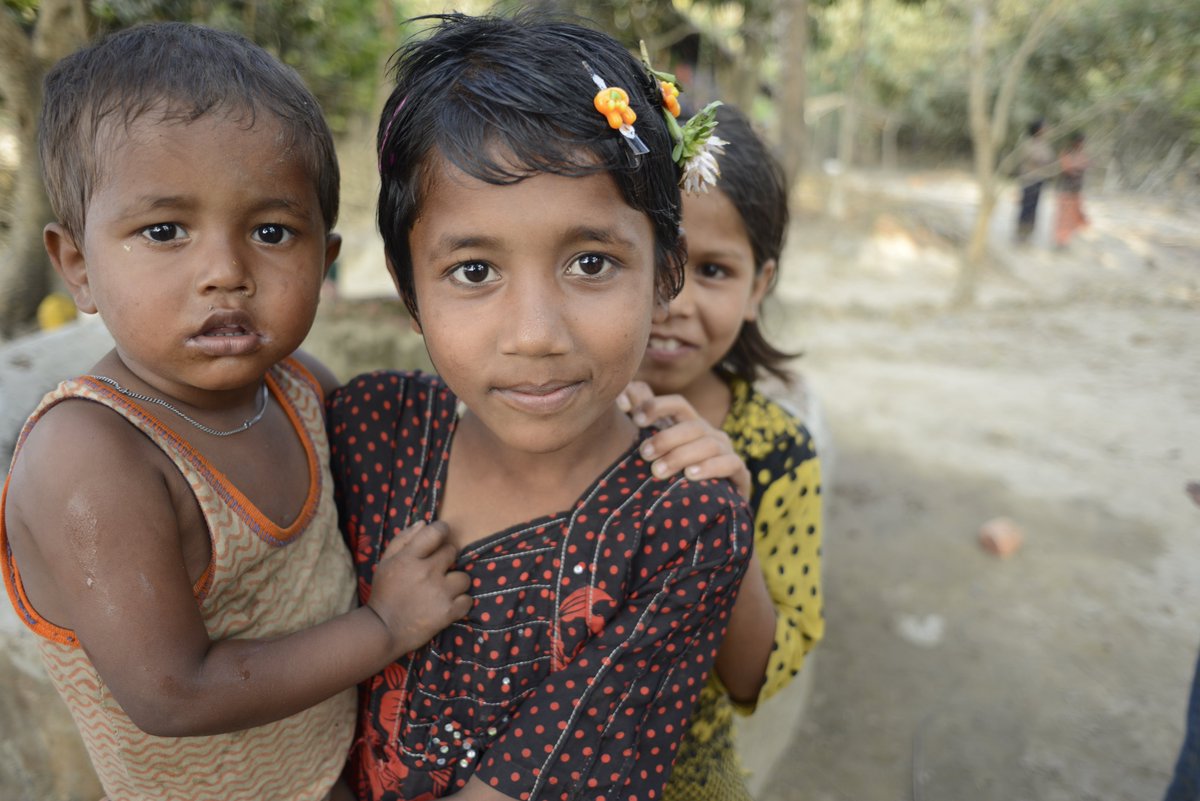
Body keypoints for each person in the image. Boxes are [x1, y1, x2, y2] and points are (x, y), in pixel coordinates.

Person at [0, 23, 471, 801]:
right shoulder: (93, 457)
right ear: (77, 266)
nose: (225, 272)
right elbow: (171, 692)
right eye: (164, 230)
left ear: (323, 262)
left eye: (271, 231)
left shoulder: (293, 384)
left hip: (335, 768)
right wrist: (384, 628)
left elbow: (426, 436)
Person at [328, 12, 753, 801]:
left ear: (665, 273)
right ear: (406, 286)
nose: (534, 335)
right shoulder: (371, 431)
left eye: (591, 262)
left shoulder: (683, 530)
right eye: (474, 271)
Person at [624, 104, 825, 801]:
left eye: (712, 270)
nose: (672, 300)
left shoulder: (776, 453)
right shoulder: (542, 409)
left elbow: (754, 677)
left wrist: (725, 513)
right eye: (651, 256)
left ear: (758, 286)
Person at [1014, 119, 1056, 244]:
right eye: (1044, 127)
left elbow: (1049, 160)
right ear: (1038, 129)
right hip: (1028, 179)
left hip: (1039, 180)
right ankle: (1021, 233)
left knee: (1034, 207)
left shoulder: (1045, 145)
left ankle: (1028, 233)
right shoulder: (1028, 144)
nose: (1046, 130)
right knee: (1026, 206)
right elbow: (1032, 158)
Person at [1054, 131, 1090, 248]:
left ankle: (1067, 237)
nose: (1081, 145)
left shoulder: (1081, 155)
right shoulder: (1066, 154)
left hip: (1076, 191)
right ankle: (1061, 240)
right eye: (1079, 142)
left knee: (1075, 215)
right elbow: (1068, 169)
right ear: (1074, 142)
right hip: (1066, 190)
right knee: (1064, 217)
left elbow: (1085, 165)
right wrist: (1078, 167)